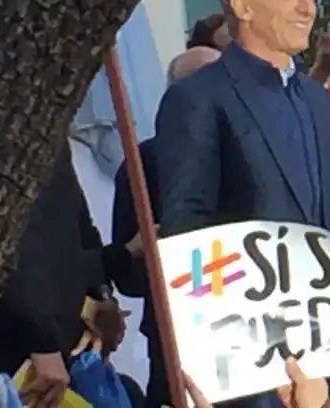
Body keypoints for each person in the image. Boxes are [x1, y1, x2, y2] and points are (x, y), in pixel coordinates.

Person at [154, 0, 330, 241]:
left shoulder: (318, 99)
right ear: (242, 7)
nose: (308, 8)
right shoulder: (197, 98)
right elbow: (188, 227)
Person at [112, 46, 221, 408]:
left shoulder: (251, 157)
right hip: (174, 336)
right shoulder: (143, 165)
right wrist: (146, 251)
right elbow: (126, 277)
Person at [0, 149, 134, 407]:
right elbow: (8, 243)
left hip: (72, 352)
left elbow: (80, 233)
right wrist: (42, 342)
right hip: (21, 358)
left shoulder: (51, 141)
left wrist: (102, 296)